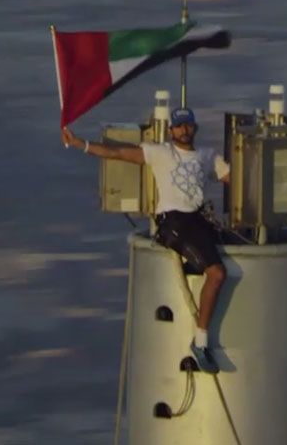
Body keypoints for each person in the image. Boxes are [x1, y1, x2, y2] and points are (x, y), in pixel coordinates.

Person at [61, 107, 230, 374]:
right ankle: (200, 342)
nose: (184, 130)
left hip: (197, 220)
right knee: (217, 273)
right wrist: (80, 144)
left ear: (194, 128)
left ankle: (197, 269)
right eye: (179, 126)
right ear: (171, 130)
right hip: (174, 222)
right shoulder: (161, 153)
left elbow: (237, 178)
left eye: (188, 125)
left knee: (235, 246)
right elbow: (117, 153)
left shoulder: (207, 156)